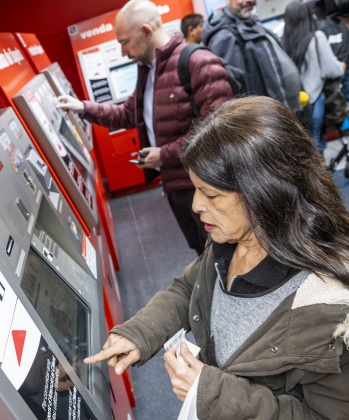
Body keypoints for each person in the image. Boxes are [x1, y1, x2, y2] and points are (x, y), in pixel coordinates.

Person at [84, 96, 349, 419]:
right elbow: (190, 288)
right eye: (196, 189)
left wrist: (212, 394)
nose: (196, 204)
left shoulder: (332, 311)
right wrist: (140, 332)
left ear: (265, 192)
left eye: (211, 194)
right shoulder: (230, 238)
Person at [56, 0, 233, 256]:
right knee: (204, 254)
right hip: (178, 187)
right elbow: (126, 114)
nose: (122, 52)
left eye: (124, 41)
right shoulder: (149, 72)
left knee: (227, 253)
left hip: (207, 186)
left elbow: (220, 131)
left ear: (147, 31)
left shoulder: (198, 63)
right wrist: (82, 107)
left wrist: (164, 155)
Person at [202, 0, 303, 112]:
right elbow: (237, 94)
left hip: (284, 108)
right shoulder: (224, 37)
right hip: (266, 116)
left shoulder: (251, 24)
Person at [283, 1, 345, 153]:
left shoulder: (282, 42)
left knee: (303, 146)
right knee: (316, 145)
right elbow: (332, 70)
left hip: (293, 103)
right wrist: (342, 66)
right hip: (315, 99)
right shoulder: (317, 37)